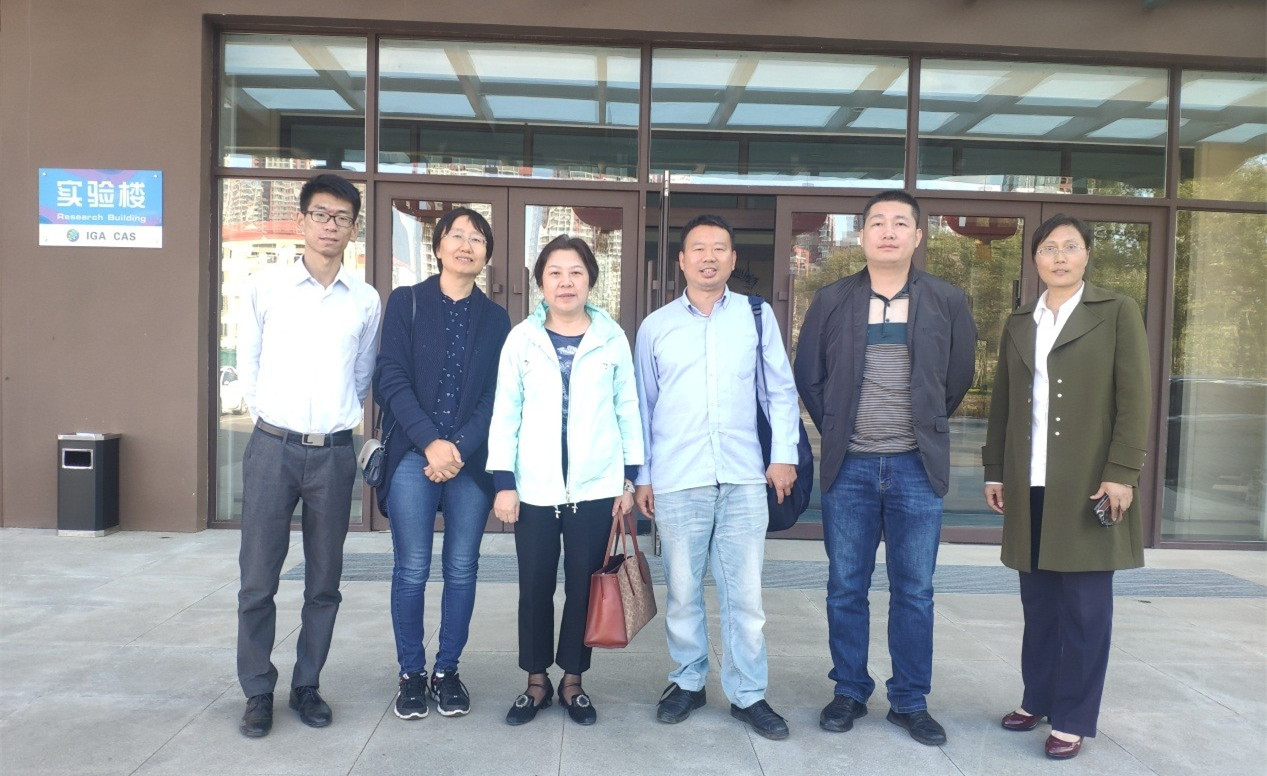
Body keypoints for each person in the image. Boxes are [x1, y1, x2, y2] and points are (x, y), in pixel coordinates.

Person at [794, 189, 976, 747]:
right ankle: (849, 690)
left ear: (918, 236)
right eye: (878, 222)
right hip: (849, 467)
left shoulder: (946, 300)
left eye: (900, 223)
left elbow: (958, 377)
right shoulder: (832, 299)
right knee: (845, 586)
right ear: (863, 235)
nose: (889, 231)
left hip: (916, 468)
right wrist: (839, 427)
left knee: (914, 590)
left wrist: (922, 425)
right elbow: (809, 375)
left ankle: (909, 700)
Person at [982, 214, 1150, 760]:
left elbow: (1135, 398)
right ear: (1035, 259)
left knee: (1084, 609)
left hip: (1088, 483)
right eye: (1049, 247)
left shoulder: (1116, 310)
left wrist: (1122, 471)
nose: (1059, 256)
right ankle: (1038, 697)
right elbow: (1003, 404)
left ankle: (1073, 717)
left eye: (1070, 247)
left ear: (1087, 255)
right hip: (1029, 480)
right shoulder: (1019, 321)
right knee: (1039, 604)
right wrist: (995, 469)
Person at [634, 214, 799, 741]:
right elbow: (642, 407)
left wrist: (783, 456)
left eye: (719, 248)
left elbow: (780, 391)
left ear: (732, 259)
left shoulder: (756, 316)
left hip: (745, 477)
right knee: (683, 591)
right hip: (678, 477)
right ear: (682, 261)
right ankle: (688, 681)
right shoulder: (655, 326)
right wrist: (643, 477)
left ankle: (748, 693)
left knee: (744, 596)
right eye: (698, 248)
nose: (709, 257)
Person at [235, 173, 382, 738]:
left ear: (353, 228)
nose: (329, 226)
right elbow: (248, 363)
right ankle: (257, 690)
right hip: (272, 447)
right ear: (301, 221)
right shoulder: (266, 287)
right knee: (258, 579)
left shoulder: (365, 300)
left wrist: (336, 425)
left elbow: (363, 376)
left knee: (324, 581)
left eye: (341, 218)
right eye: (320, 214)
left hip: (334, 455)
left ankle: (307, 685)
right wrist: (270, 421)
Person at [487, 234, 643, 727]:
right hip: (534, 489)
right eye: (554, 272)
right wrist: (504, 482)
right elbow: (505, 412)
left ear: (591, 279)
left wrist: (628, 480)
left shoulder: (612, 338)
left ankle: (573, 681)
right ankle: (536, 681)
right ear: (540, 282)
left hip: (596, 489)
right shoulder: (522, 339)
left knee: (584, 588)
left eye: (576, 272)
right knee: (534, 588)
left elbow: (628, 409)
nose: (566, 282)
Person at [373, 207, 511, 720]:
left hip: (469, 463)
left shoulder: (496, 319)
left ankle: (447, 671)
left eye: (477, 239)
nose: (466, 245)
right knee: (412, 568)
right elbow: (390, 377)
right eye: (457, 235)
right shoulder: (406, 301)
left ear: (486, 255)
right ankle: (411, 674)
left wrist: (459, 447)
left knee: (461, 568)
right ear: (438, 247)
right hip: (414, 455)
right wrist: (431, 442)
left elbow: (497, 395)